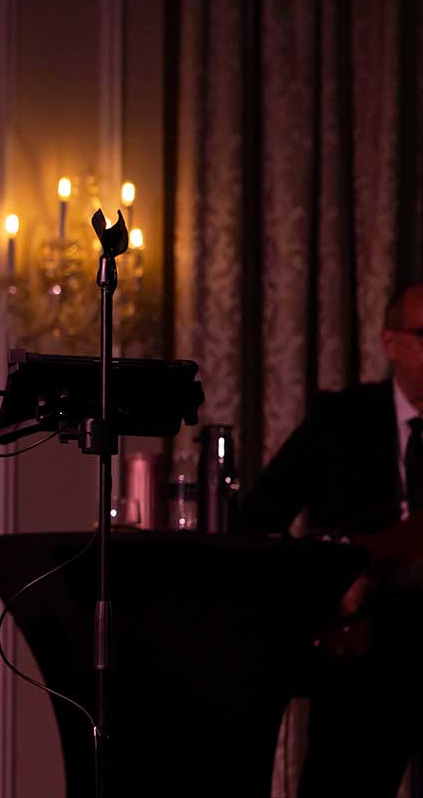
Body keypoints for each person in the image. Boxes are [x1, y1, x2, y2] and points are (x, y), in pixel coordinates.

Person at [240, 281, 423, 796]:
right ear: (390, 342)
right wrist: (328, 585)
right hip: (365, 648)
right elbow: (257, 519)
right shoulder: (341, 421)